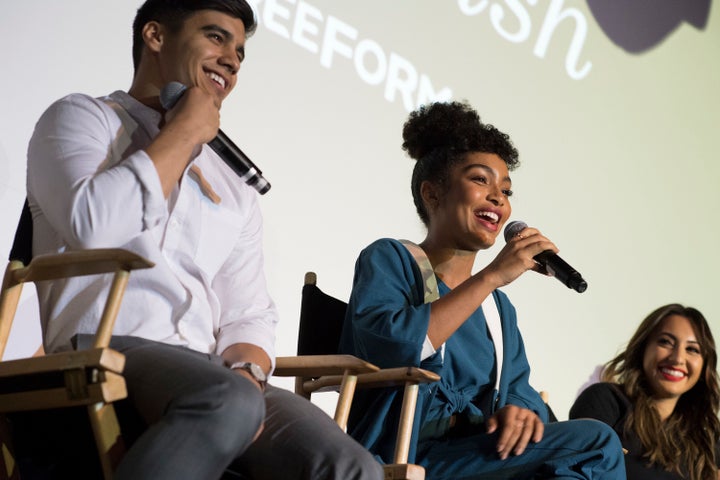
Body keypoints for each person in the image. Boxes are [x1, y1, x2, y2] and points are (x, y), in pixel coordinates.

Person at [24, 1, 383, 479]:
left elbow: (248, 312)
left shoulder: (233, 184)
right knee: (225, 400)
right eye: (216, 38)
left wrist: (250, 373)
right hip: (103, 344)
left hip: (212, 371)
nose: (232, 60)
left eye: (239, 51)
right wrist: (186, 130)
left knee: (353, 466)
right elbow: (94, 227)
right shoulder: (83, 118)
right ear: (155, 36)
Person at [338, 101, 625, 479]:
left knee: (571, 469)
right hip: (405, 452)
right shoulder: (393, 259)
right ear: (432, 194)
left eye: (505, 190)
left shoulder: (496, 310)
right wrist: (491, 276)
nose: (498, 198)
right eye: (480, 180)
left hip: (476, 456)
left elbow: (521, 392)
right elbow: (392, 348)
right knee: (596, 441)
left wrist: (519, 414)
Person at [570, 304, 720, 480]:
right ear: (643, 348)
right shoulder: (605, 400)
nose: (678, 358)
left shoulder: (708, 435)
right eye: (665, 342)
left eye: (692, 349)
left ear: (705, 366)